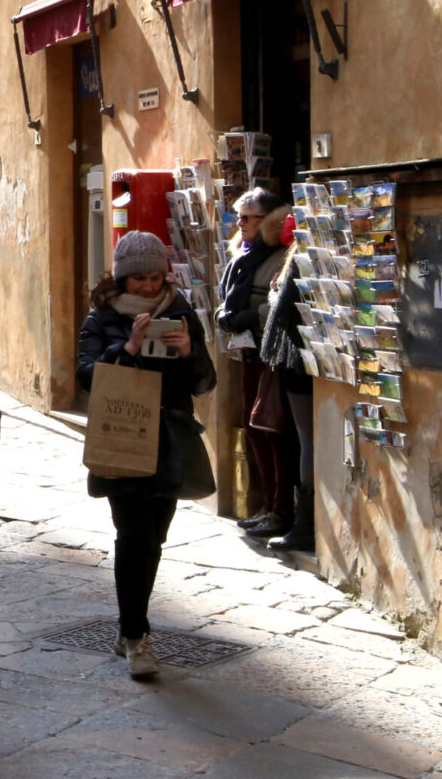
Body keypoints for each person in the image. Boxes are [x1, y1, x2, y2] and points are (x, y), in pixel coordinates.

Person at [76, 231, 215, 679]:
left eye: (155, 277)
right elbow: (85, 377)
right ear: (123, 278)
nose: (149, 287)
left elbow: (204, 381)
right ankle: (137, 637)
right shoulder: (101, 317)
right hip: (123, 436)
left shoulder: (179, 313)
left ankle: (127, 628)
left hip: (170, 440)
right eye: (139, 279)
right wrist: (128, 349)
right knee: (133, 535)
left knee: (154, 538)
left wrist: (190, 351)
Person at [216, 188, 295, 541]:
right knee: (253, 428)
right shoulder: (241, 255)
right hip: (247, 353)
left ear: (268, 221)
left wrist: (250, 316)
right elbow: (228, 294)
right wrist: (224, 315)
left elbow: (281, 306)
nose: (240, 223)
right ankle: (267, 505)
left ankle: (281, 509)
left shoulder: (281, 256)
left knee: (272, 429)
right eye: (239, 216)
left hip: (271, 356)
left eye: (248, 217)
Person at [257, 239, 316, 553]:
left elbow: (280, 310)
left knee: (307, 439)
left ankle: (305, 526)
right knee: (307, 438)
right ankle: (304, 522)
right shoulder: (298, 258)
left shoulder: (296, 258)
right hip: (300, 358)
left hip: (296, 359)